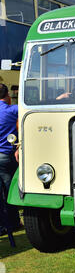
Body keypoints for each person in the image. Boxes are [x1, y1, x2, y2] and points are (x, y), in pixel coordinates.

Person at [0, 83, 20, 235]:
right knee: (9, 192)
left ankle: (3, 224)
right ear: (7, 96)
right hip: (6, 157)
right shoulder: (12, 110)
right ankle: (13, 223)